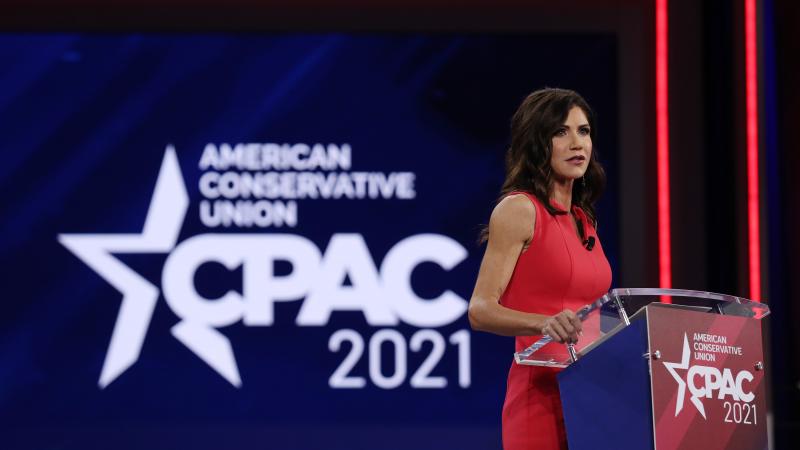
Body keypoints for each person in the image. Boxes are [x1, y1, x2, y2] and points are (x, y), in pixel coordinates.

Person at [468, 88, 613, 450]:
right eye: (560, 132)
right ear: (537, 142)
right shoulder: (519, 209)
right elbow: (480, 310)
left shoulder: (584, 219)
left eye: (583, 131)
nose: (576, 143)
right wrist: (543, 323)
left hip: (594, 397)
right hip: (542, 398)